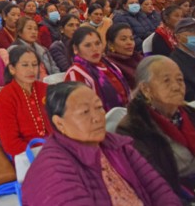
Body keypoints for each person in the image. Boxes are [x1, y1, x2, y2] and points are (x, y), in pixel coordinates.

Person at [22, 82, 182, 206]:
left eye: (98, 107)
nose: (98, 117)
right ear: (59, 123)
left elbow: (158, 189)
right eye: (85, 112)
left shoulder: (117, 145)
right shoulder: (53, 169)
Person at [117, 56, 195, 204]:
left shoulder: (192, 117)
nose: (176, 86)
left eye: (180, 79)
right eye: (166, 81)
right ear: (146, 89)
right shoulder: (133, 129)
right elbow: (154, 186)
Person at [0, 46, 52, 157]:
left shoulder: (46, 89)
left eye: (34, 64)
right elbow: (11, 144)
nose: (31, 70)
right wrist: (43, 154)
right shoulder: (4, 98)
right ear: (12, 69)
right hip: (27, 156)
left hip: (56, 148)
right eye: (25, 65)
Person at [65, 27, 130, 111]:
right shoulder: (75, 73)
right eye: (88, 45)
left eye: (97, 43)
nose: (95, 49)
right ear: (75, 49)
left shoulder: (111, 66)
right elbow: (80, 110)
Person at [104, 23, 143, 89]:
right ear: (110, 44)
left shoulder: (137, 57)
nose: (129, 43)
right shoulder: (111, 66)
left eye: (131, 39)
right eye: (123, 39)